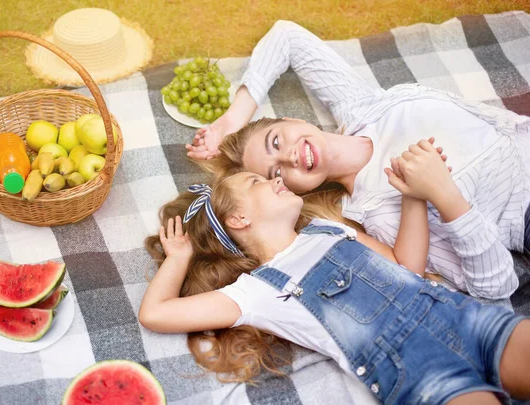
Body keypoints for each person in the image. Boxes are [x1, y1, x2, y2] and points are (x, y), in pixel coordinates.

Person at [185, 20, 530, 300]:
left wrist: (231, 121)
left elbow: (287, 36)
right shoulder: (378, 208)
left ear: (293, 120)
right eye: (277, 171)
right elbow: (495, 285)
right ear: (290, 189)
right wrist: (446, 197)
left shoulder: (362, 108)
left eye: (276, 141)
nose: (289, 156)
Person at [140, 171, 530, 405]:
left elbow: (406, 267)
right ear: (239, 217)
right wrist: (178, 258)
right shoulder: (254, 292)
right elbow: (155, 313)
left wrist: (412, 195)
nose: (275, 178)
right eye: (257, 181)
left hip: (467, 319)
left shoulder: (329, 230)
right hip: (419, 370)